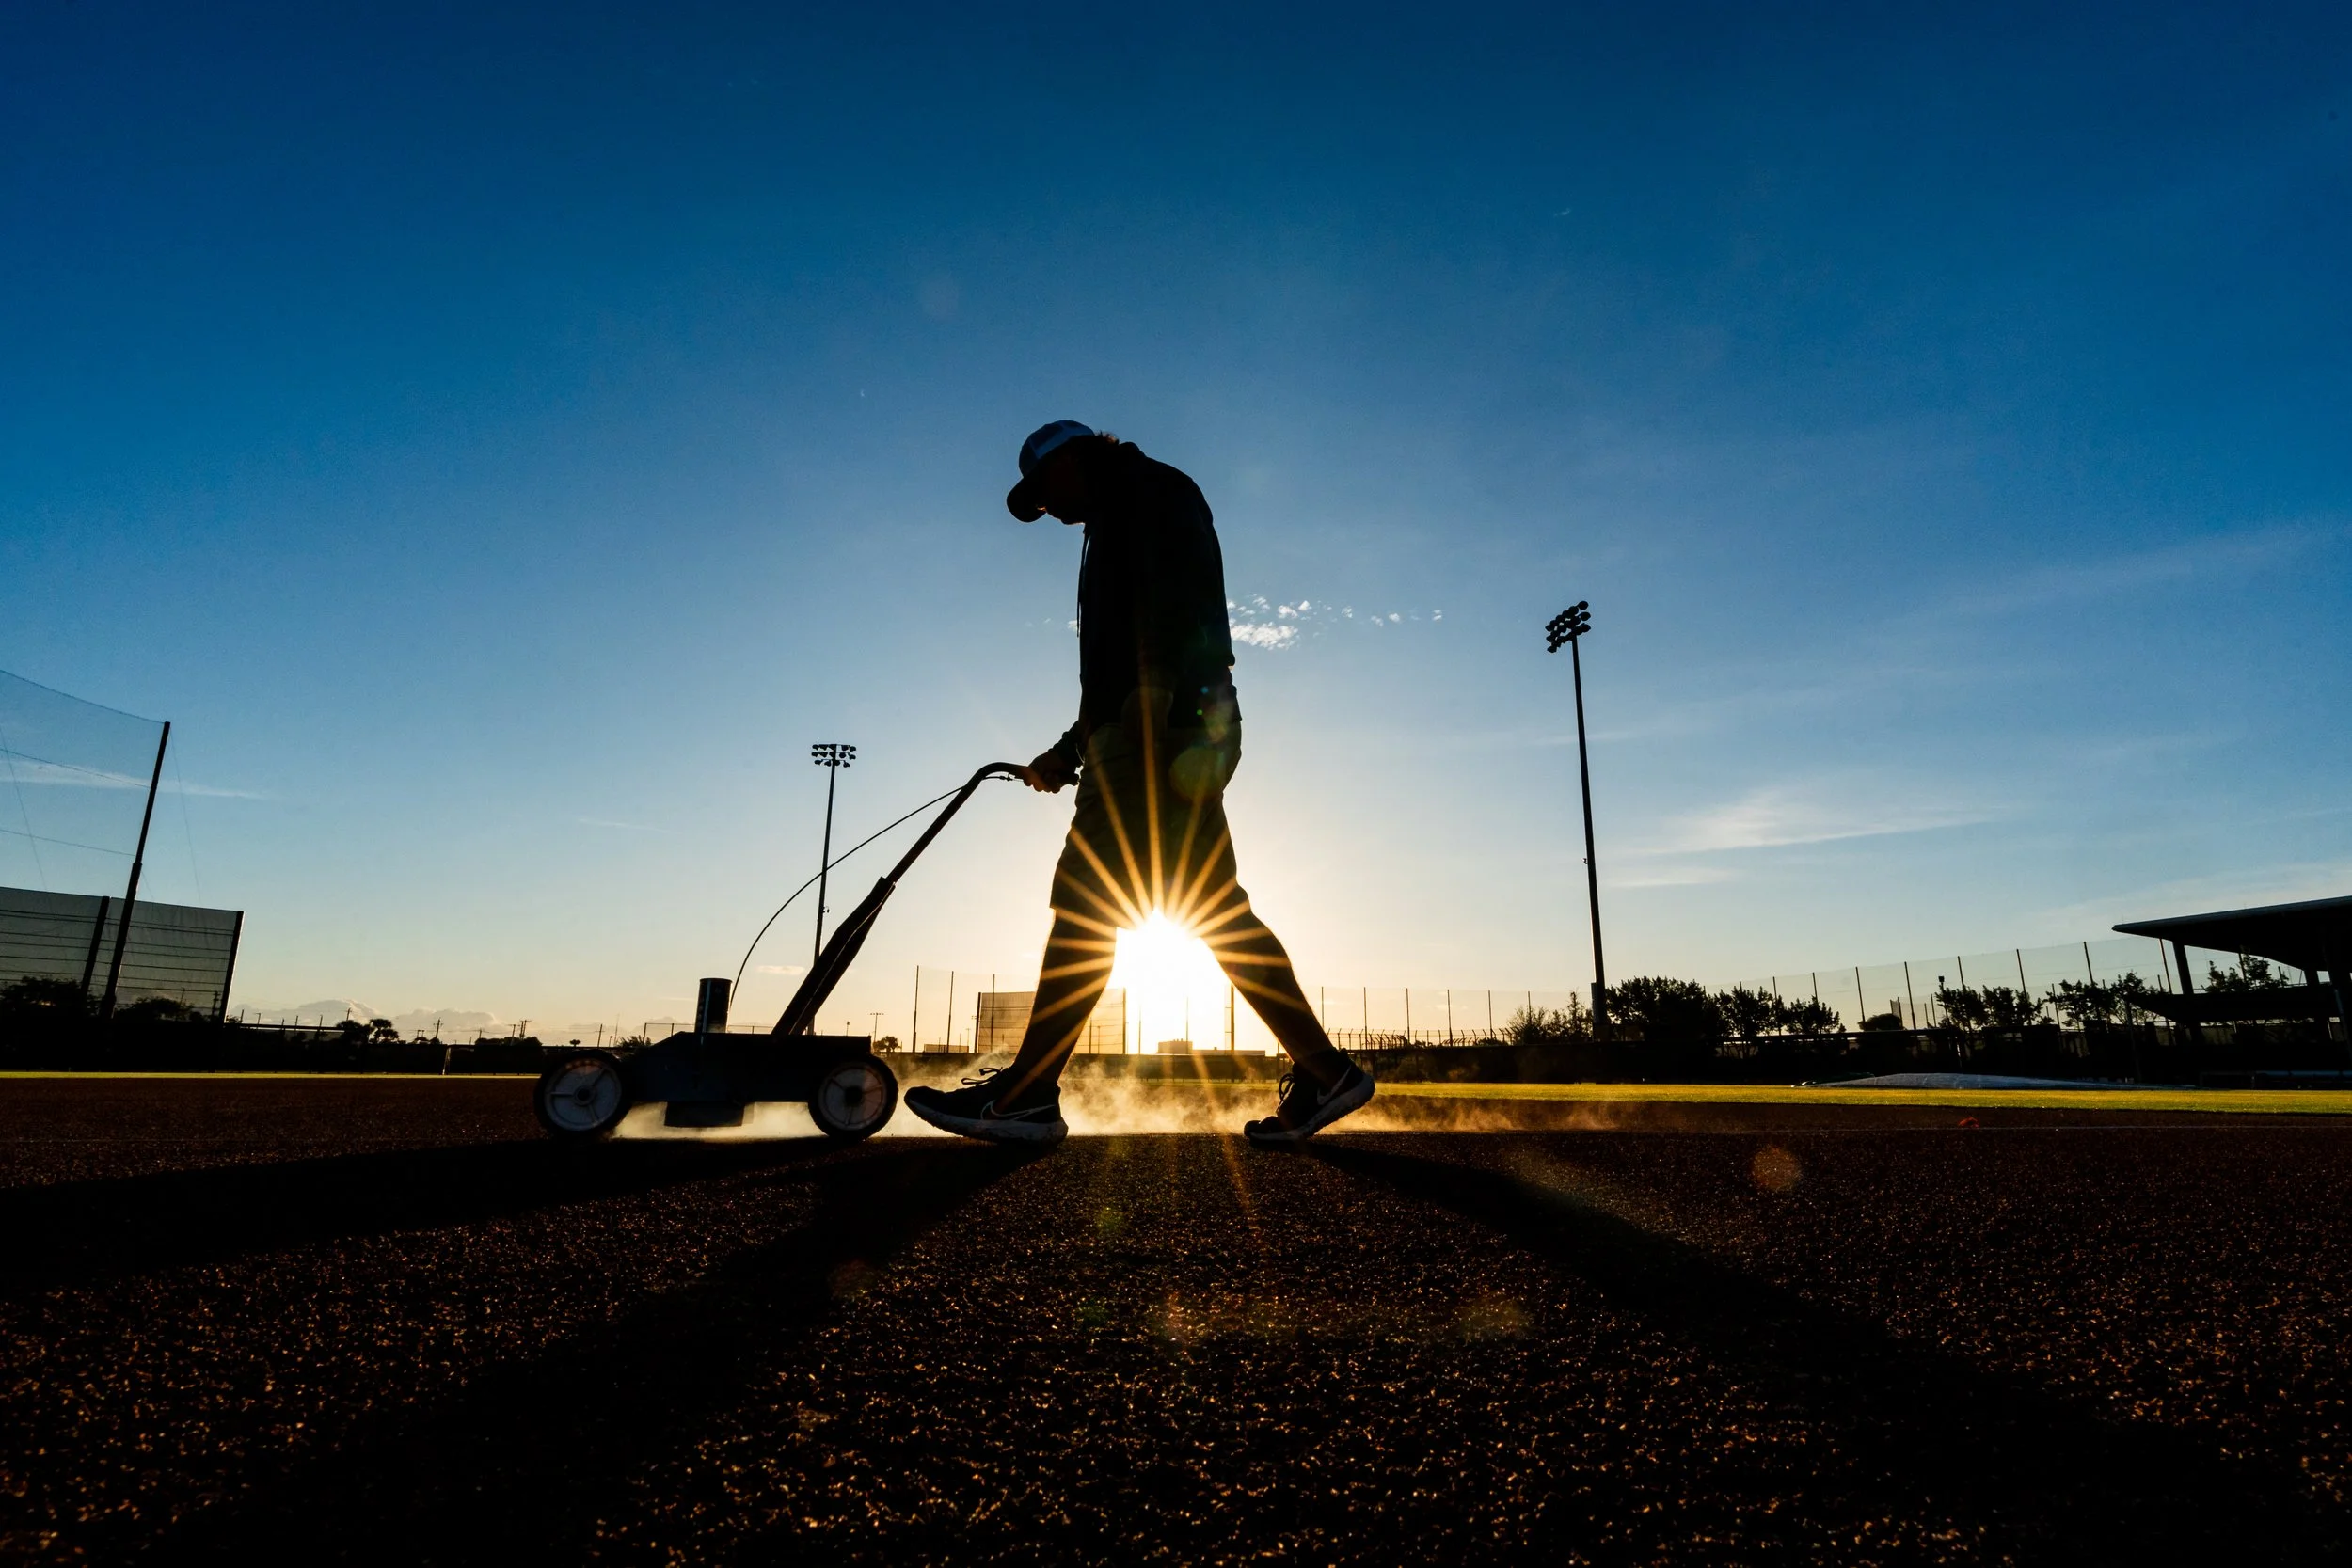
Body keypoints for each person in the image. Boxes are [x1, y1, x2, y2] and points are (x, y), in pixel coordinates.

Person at [904, 421, 1373, 1148]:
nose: (1048, 512)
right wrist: (1069, 749)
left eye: (1045, 492)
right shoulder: (1115, 514)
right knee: (1213, 906)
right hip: (1156, 724)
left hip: (1162, 727)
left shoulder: (1149, 491)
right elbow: (1115, 663)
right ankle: (1325, 1071)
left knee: (1087, 898)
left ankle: (1026, 1096)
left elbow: (1172, 606)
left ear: (1073, 458)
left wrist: (1148, 712)